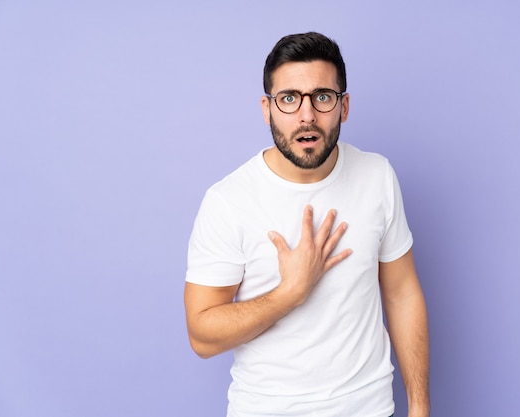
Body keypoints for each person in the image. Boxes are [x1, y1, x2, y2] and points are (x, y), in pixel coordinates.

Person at [184, 32, 430, 417]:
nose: (307, 116)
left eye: (322, 97)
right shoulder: (229, 201)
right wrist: (291, 292)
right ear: (267, 109)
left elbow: (402, 293)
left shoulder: (376, 176)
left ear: (343, 106)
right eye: (288, 99)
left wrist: (419, 405)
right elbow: (201, 335)